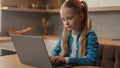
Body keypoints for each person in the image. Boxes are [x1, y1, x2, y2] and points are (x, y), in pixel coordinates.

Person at [50, 0, 98, 66]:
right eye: (63, 19)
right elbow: (56, 49)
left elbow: (92, 60)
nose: (66, 23)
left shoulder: (90, 35)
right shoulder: (64, 35)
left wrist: (66, 60)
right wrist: (52, 56)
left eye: (69, 18)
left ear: (81, 16)